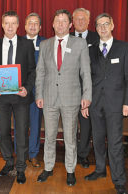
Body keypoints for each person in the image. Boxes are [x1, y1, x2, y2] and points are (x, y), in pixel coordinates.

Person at [35, 9, 92, 186]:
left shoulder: (80, 44)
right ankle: (48, 167)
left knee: (70, 137)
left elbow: (86, 72)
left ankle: (70, 170)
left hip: (71, 98)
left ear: (70, 24)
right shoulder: (45, 44)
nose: (60, 24)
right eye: (57, 21)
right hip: (49, 98)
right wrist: (39, 94)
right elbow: (41, 72)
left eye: (64, 21)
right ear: (52, 24)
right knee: (49, 136)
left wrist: (87, 95)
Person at [83, 13, 128, 194]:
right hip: (95, 104)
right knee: (97, 140)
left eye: (106, 24)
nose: (103, 28)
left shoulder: (124, 47)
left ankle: (119, 180)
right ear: (95, 28)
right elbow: (86, 79)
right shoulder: (91, 49)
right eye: (99, 25)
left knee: (115, 143)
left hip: (116, 104)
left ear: (112, 25)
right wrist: (86, 102)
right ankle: (100, 170)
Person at [0, 10, 35, 184]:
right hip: (1, 97)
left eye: (13, 23)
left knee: (22, 133)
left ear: (18, 25)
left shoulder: (26, 45)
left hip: (20, 97)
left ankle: (21, 167)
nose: (9, 26)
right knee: (3, 133)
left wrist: (27, 88)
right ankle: (9, 162)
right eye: (6, 23)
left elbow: (32, 70)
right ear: (2, 25)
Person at [71, 8, 99, 169]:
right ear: (72, 22)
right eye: (77, 19)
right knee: (70, 125)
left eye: (83, 19)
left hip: (89, 89)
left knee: (86, 125)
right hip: (69, 89)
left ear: (89, 21)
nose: (80, 22)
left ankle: (82, 155)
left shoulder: (96, 38)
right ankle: (71, 153)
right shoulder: (66, 38)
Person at [23, 12, 46, 167]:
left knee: (35, 123)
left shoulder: (46, 43)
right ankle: (21, 153)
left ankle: (33, 154)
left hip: (38, 90)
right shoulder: (17, 41)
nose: (32, 26)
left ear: (40, 27)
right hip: (21, 89)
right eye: (30, 23)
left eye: (36, 23)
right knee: (20, 123)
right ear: (24, 26)